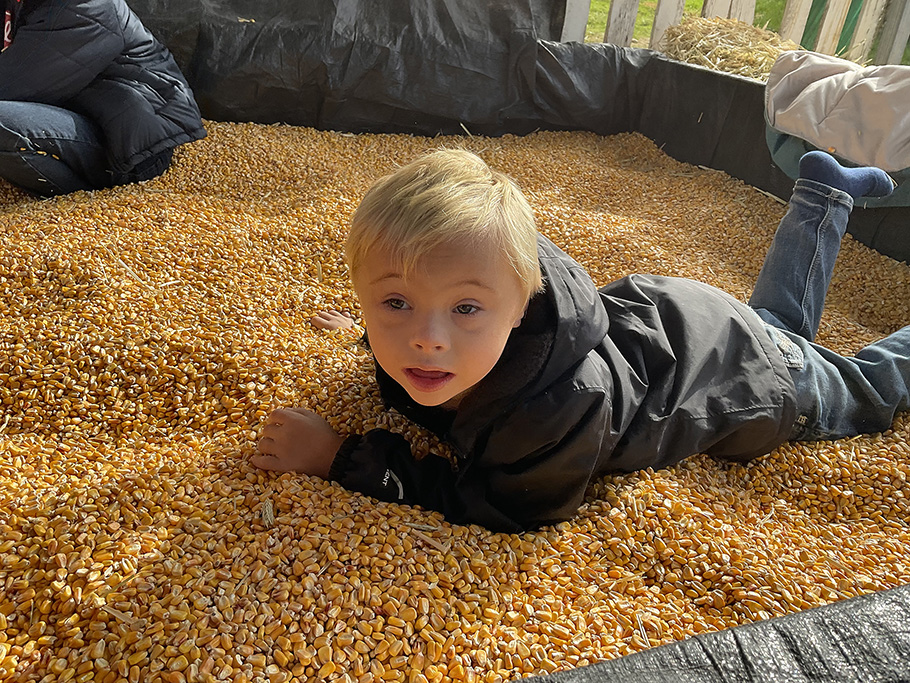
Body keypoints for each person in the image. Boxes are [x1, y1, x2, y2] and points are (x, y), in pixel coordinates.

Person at [252, 148, 900, 533]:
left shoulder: (555, 407)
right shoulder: (456, 316)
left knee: (863, 387)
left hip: (749, 378)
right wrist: (369, 335)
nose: (425, 340)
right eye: (394, 301)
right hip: (688, 319)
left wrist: (342, 458)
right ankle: (822, 193)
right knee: (779, 324)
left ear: (519, 303)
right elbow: (427, 312)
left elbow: (507, 506)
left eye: (466, 308)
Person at [0, 0, 206, 196]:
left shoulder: (84, 8)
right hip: (84, 115)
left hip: (129, 149)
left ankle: (78, 202)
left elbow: (12, 85)